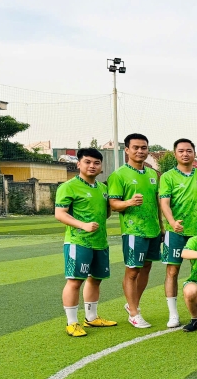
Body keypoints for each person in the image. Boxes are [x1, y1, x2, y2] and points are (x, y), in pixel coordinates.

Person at [55, 148, 117, 337]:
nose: (92, 166)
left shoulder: (103, 188)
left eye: (96, 163)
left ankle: (91, 317)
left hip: (100, 242)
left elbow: (105, 212)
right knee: (75, 281)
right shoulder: (68, 186)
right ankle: (72, 322)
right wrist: (83, 225)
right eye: (87, 162)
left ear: (101, 167)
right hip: (78, 242)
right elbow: (60, 214)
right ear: (78, 164)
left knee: (95, 279)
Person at [108, 133, 162, 328]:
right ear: (127, 150)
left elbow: (157, 203)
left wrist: (162, 227)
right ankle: (133, 312)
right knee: (132, 271)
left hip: (153, 229)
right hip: (133, 230)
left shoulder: (153, 174)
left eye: (144, 148)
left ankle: (133, 304)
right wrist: (129, 202)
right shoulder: (119, 175)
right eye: (136, 147)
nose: (140, 151)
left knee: (146, 268)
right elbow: (113, 204)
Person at [159, 138, 197, 328]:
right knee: (172, 271)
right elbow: (164, 203)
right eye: (181, 151)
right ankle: (173, 314)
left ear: (194, 153)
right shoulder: (168, 177)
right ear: (175, 154)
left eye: (189, 150)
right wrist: (172, 222)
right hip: (176, 232)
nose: (185, 154)